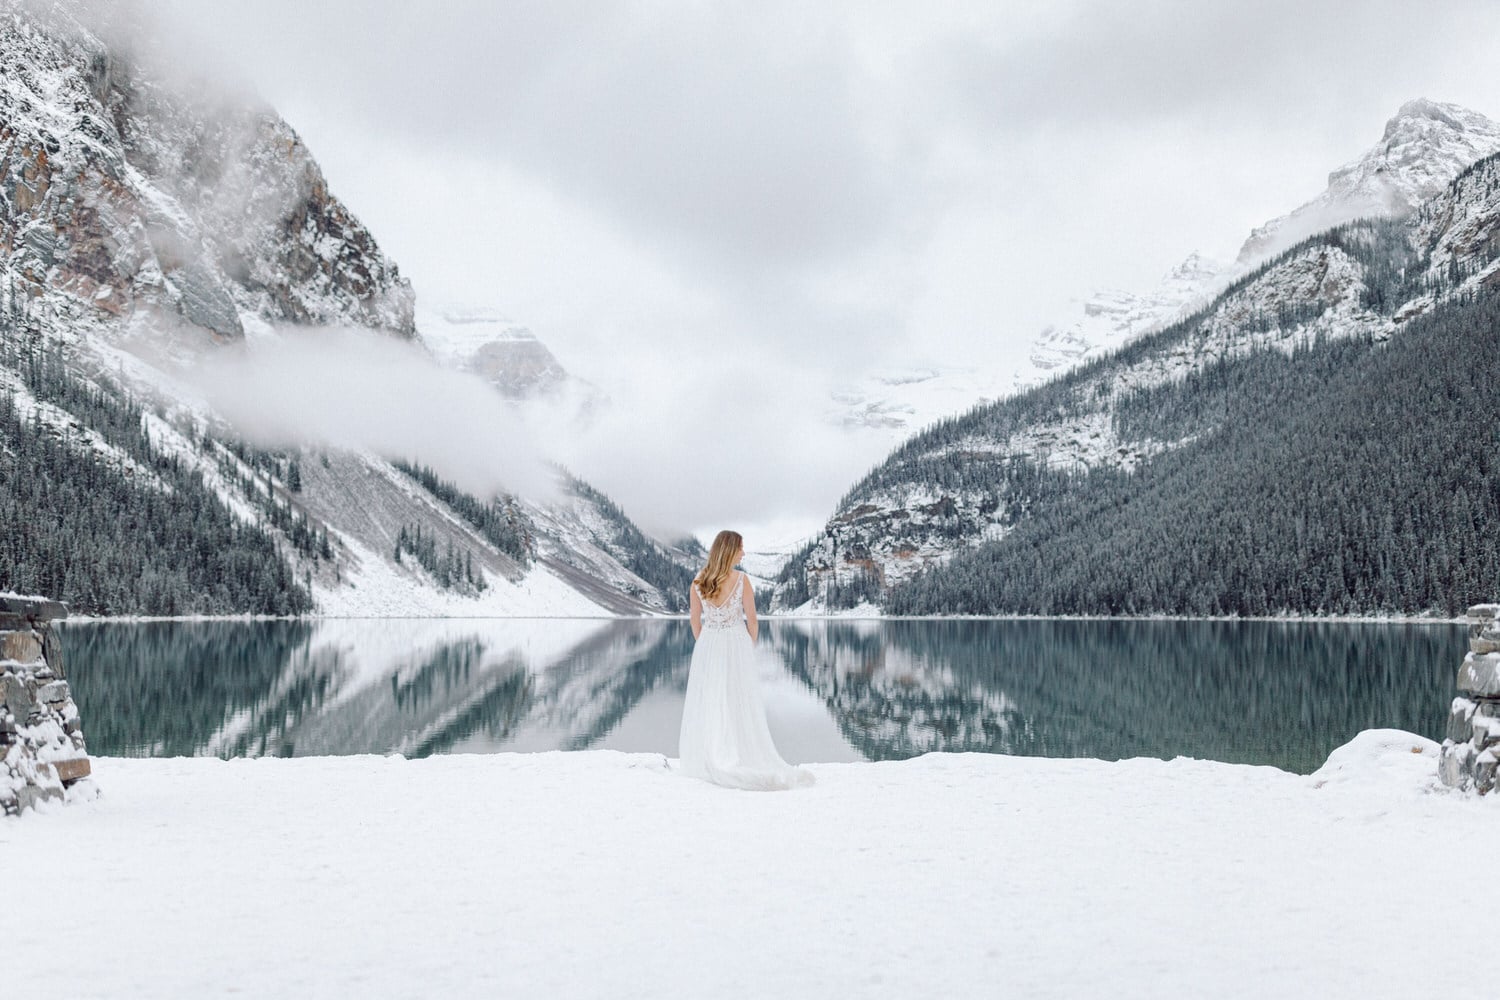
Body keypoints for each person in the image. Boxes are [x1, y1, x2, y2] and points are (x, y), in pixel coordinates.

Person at [677, 529, 814, 790]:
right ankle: (737, 750)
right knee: (739, 699)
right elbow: (752, 621)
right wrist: (746, 645)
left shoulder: (697, 581)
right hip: (736, 643)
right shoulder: (742, 580)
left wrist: (706, 644)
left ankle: (712, 752)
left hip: (708, 645)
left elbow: (695, 621)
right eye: (741, 547)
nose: (744, 552)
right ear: (729, 550)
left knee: (711, 699)